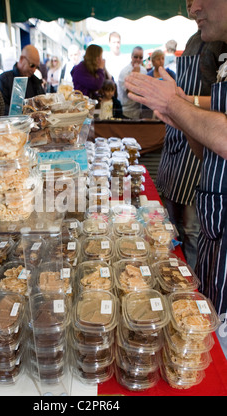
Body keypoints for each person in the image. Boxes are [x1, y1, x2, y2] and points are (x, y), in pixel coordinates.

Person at [125, 0, 227, 316]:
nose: (192, 7)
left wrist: (175, 104)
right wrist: (182, 118)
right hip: (216, 234)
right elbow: (209, 150)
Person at [0, 44, 45, 115]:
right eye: (32, 65)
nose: (34, 70)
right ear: (21, 59)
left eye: (36, 67)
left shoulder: (35, 82)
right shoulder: (4, 80)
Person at [117, 46, 147, 119]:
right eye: (136, 57)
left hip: (138, 111)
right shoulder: (124, 72)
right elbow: (130, 94)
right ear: (131, 56)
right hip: (125, 111)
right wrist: (135, 74)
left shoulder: (144, 71)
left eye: (140, 57)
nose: (138, 59)